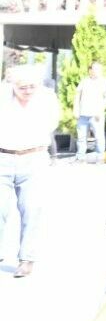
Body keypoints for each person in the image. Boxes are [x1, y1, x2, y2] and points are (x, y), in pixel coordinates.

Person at [0, 65, 60, 278]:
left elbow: (51, 123)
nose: (27, 91)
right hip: (4, 157)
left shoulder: (47, 99)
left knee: (32, 210)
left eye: (31, 87)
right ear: (12, 85)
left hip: (33, 158)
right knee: (1, 209)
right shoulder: (2, 96)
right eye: (22, 87)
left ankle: (26, 259)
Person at [74, 61, 106, 163]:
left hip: (96, 115)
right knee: (81, 137)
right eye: (94, 69)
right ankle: (80, 157)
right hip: (83, 114)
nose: (96, 71)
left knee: (99, 137)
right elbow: (77, 95)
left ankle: (100, 157)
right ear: (90, 70)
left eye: (98, 69)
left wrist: (100, 110)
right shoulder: (84, 81)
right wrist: (76, 109)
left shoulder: (104, 82)